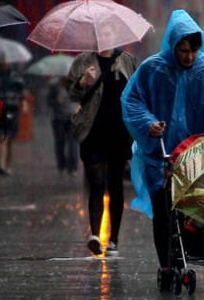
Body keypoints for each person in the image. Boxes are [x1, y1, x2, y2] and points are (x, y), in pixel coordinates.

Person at [121, 9, 204, 274]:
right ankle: (169, 264)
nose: (189, 57)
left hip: (197, 152)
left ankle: (190, 250)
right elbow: (132, 100)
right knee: (164, 210)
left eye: (193, 50)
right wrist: (149, 123)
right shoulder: (152, 69)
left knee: (198, 206)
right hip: (160, 154)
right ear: (173, 46)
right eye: (183, 51)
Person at [67, 22, 137, 257]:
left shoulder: (126, 60)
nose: (103, 38)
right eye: (99, 34)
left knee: (115, 185)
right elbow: (71, 92)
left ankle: (114, 239)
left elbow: (137, 91)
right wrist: (82, 82)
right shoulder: (83, 61)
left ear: (115, 35)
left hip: (118, 133)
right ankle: (96, 234)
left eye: (107, 33)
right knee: (96, 183)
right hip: (92, 133)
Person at [0, 62, 28, 176]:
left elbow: (23, 95)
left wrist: (24, 105)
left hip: (13, 112)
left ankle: (7, 165)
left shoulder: (17, 79)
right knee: (1, 139)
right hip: (0, 113)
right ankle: (1, 165)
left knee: (9, 141)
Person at [47, 76, 78, 176]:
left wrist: (78, 109)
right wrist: (57, 101)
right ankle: (61, 164)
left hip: (72, 118)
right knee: (60, 143)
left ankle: (72, 166)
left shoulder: (76, 84)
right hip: (58, 119)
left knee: (73, 143)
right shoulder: (54, 86)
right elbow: (49, 101)